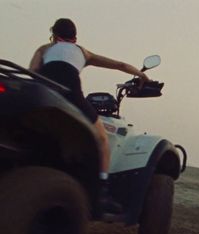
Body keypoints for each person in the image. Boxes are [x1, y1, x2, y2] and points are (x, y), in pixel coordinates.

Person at [29, 18, 150, 213]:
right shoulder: (83, 52)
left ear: (54, 36)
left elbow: (32, 71)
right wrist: (142, 75)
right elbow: (119, 65)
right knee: (101, 139)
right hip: (70, 94)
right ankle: (100, 193)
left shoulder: (44, 49)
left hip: (44, 94)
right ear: (74, 38)